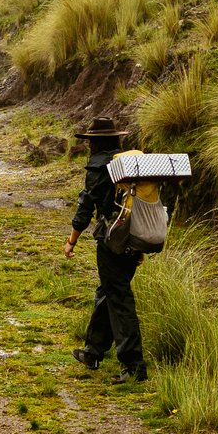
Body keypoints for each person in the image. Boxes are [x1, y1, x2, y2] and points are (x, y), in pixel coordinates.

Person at [64, 115, 146, 381]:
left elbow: (86, 208)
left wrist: (71, 241)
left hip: (111, 241)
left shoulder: (100, 167)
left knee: (119, 298)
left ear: (94, 143)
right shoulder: (128, 166)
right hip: (132, 239)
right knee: (108, 290)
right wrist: (139, 245)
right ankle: (94, 351)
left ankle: (133, 366)